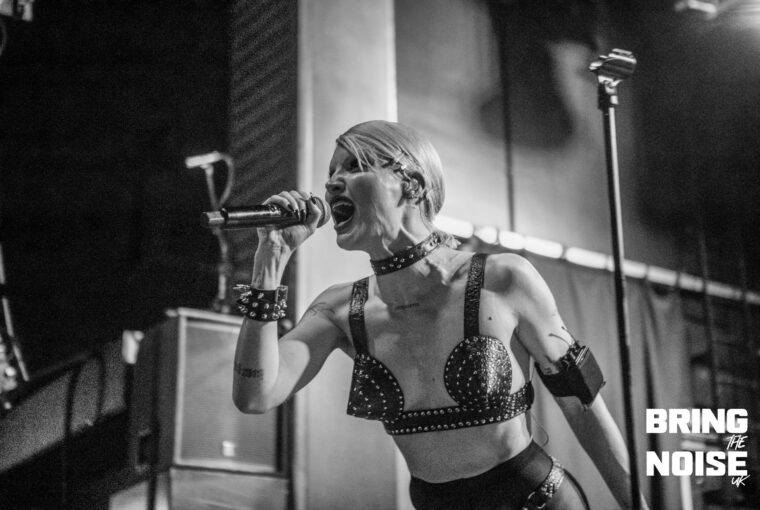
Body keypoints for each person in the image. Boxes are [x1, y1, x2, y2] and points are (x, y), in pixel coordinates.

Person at [232, 120, 647, 509]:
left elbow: (582, 405)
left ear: (411, 184)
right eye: (331, 172)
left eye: (355, 166)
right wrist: (271, 257)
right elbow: (255, 395)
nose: (331, 182)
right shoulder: (340, 309)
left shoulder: (504, 279)